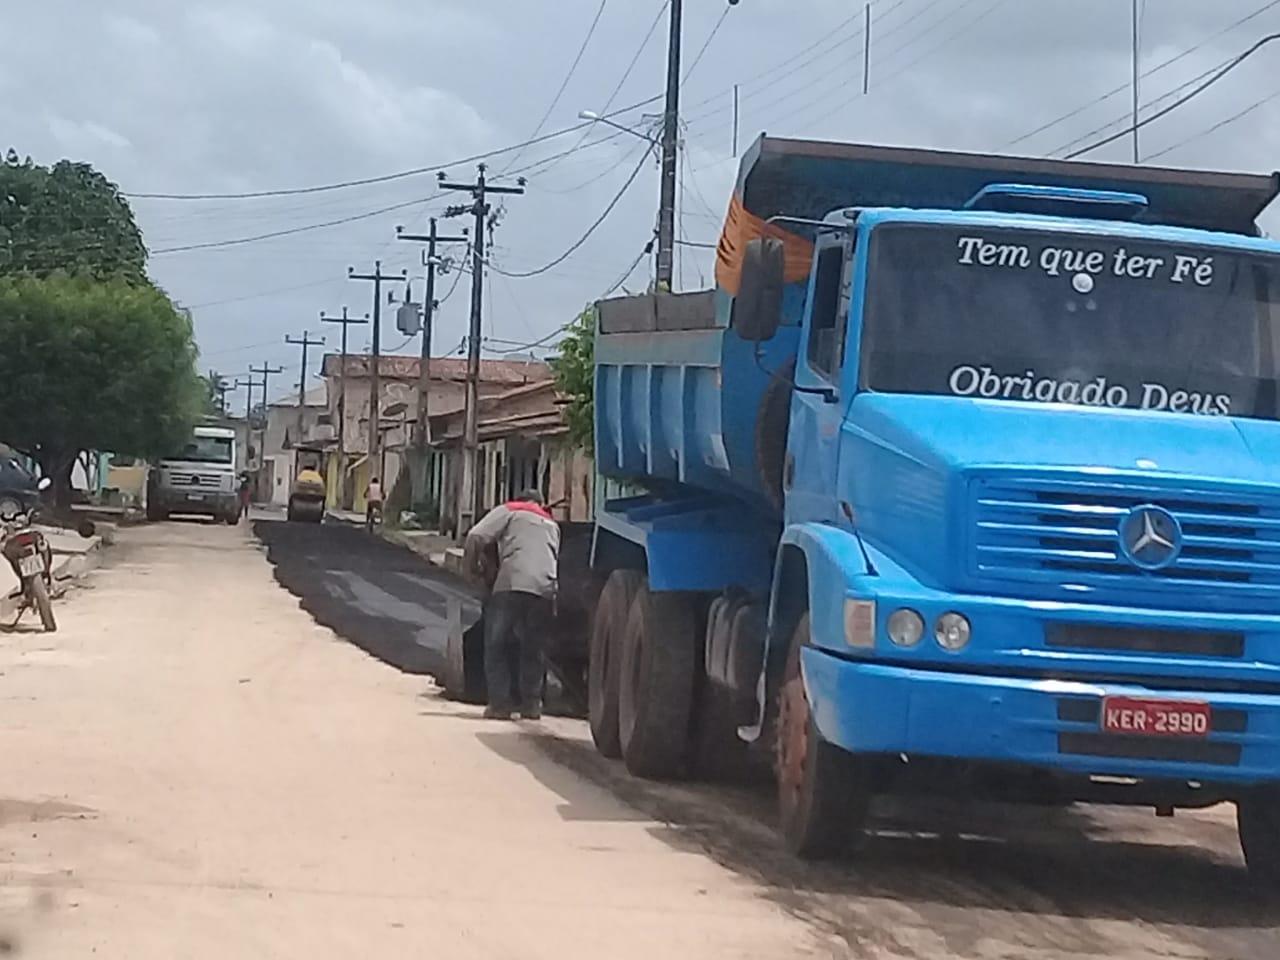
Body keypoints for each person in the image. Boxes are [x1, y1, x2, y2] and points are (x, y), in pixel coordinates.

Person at [464, 489, 560, 721]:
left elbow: (476, 536)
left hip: (512, 583)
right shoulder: (551, 524)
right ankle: (531, 704)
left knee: (496, 644)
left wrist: (471, 569)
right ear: (540, 503)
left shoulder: (511, 510)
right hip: (545, 588)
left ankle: (500, 705)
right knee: (533, 648)